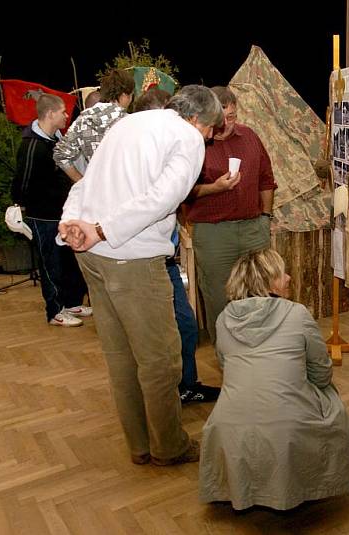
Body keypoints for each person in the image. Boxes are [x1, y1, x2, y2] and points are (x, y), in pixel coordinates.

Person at [58, 85, 225, 465]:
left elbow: (84, 182)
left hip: (92, 257)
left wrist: (72, 223)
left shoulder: (127, 124)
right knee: (161, 359)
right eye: (211, 128)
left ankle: (140, 445)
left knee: (121, 357)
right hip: (129, 258)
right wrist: (101, 229)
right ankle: (169, 446)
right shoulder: (187, 137)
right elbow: (163, 199)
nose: (212, 137)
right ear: (196, 119)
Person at [198, 249, 349, 510]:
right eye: (281, 273)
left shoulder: (223, 318)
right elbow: (321, 373)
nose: (288, 278)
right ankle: (305, 482)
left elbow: (226, 365)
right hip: (288, 424)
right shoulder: (297, 314)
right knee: (331, 400)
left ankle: (246, 489)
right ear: (267, 282)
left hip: (229, 424)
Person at [132, 87, 220, 404]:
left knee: (185, 326)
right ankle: (167, 395)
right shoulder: (143, 154)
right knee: (168, 334)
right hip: (146, 262)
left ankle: (185, 385)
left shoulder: (169, 150)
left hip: (163, 259)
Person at [185, 86, 277, 344]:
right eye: (222, 117)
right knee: (218, 295)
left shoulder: (249, 136)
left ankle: (261, 350)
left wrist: (265, 218)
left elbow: (267, 180)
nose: (227, 123)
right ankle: (227, 356)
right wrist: (215, 188)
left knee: (261, 291)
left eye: (233, 116)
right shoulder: (194, 143)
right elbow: (182, 192)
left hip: (253, 229)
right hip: (213, 233)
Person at [11, 93, 90, 327]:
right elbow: (21, 183)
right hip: (42, 215)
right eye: (63, 112)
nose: (67, 116)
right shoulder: (32, 146)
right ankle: (55, 311)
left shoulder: (56, 140)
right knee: (50, 264)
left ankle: (71, 302)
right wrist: (20, 207)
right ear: (50, 114)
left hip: (61, 214)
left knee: (68, 262)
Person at [53, 69, 135, 181]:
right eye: (131, 95)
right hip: (125, 189)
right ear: (125, 94)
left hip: (96, 190)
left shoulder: (83, 120)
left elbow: (61, 154)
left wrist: (83, 183)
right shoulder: (130, 123)